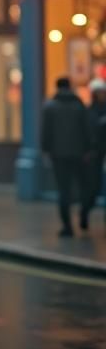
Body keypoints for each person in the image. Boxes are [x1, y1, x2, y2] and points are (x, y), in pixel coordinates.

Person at [40, 76, 93, 237]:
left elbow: (46, 132)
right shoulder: (79, 105)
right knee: (84, 187)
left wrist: (46, 150)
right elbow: (87, 129)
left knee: (64, 191)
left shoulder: (50, 107)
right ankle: (83, 215)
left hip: (59, 155)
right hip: (79, 154)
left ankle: (67, 227)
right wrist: (88, 149)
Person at [83, 78, 106, 231]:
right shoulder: (89, 112)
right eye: (100, 92)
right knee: (93, 189)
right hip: (95, 155)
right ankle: (84, 213)